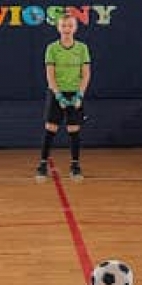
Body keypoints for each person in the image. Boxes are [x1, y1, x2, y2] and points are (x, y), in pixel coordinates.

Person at [35, 13, 91, 182]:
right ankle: (42, 164)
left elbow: (86, 74)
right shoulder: (52, 48)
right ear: (58, 28)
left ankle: (75, 166)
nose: (67, 29)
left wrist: (79, 95)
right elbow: (50, 75)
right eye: (64, 26)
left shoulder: (82, 48)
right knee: (50, 128)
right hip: (56, 92)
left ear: (75, 28)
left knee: (73, 129)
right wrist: (58, 95)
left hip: (75, 93)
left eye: (70, 26)